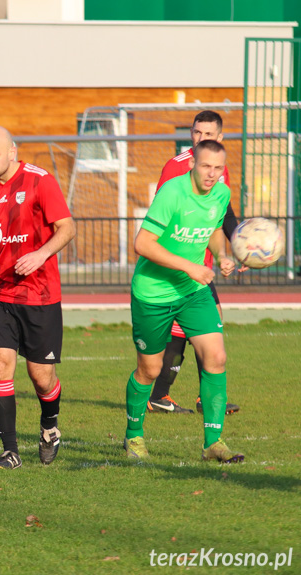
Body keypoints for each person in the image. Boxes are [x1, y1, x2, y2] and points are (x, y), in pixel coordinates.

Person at [124, 139, 243, 464]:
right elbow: (142, 244)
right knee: (149, 370)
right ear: (193, 163)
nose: (212, 174)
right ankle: (134, 435)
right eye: (206, 166)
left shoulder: (221, 193)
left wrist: (221, 256)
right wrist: (192, 266)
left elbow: (215, 228)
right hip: (153, 294)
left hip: (192, 291)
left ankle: (212, 443)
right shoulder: (172, 193)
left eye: (218, 169)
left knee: (216, 357)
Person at [0, 126, 76, 470]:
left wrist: (40, 255)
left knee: (40, 376)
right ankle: (10, 450)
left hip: (40, 293)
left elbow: (67, 227)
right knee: (0, 366)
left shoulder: (39, 180)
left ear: (12, 152)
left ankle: (49, 426)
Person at [147, 111, 241, 416]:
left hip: (202, 264)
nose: (203, 139)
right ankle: (171, 394)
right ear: (191, 134)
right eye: (198, 133)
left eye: (209, 134)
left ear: (220, 137)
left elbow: (223, 213)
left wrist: (239, 247)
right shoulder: (176, 167)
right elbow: (160, 217)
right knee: (201, 325)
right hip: (180, 264)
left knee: (202, 325)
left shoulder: (218, 168)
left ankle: (168, 395)